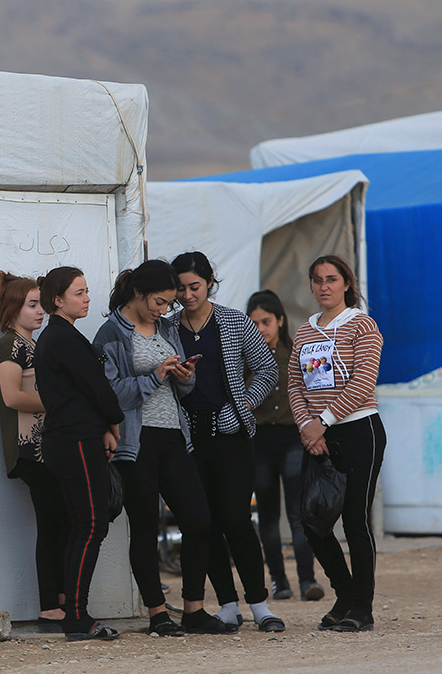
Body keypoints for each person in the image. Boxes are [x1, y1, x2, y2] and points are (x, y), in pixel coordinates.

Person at [94, 259, 236, 636]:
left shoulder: (165, 329)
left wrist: (183, 376)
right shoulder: (110, 334)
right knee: (145, 527)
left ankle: (193, 609)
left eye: (168, 304)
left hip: (174, 435)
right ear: (138, 294)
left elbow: (179, 390)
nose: (164, 310)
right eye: (159, 302)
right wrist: (156, 375)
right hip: (136, 442)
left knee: (198, 519)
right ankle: (157, 613)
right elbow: (110, 396)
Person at [169, 251, 284, 632]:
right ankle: (228, 605)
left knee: (236, 520)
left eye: (195, 287)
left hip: (232, 436)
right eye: (181, 288)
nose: (187, 295)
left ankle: (260, 605)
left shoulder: (235, 321)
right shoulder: (169, 329)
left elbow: (267, 367)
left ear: (209, 282)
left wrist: (247, 403)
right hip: (188, 439)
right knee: (203, 524)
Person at [287, 255, 386, 633]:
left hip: (360, 431)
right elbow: (296, 383)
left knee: (355, 520)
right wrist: (306, 426)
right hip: (317, 436)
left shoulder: (362, 325)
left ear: (346, 283)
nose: (324, 286)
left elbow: (363, 382)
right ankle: (345, 595)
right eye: (317, 280)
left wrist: (323, 421)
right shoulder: (305, 331)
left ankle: (362, 607)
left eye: (331, 279)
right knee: (313, 519)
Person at [33, 266, 125, 640]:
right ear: (57, 300)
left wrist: (103, 427)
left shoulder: (62, 336)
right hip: (74, 442)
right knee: (90, 525)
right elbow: (96, 388)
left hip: (74, 438)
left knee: (83, 525)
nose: (87, 298)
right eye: (78, 293)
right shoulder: (62, 338)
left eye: (87, 291)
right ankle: (76, 616)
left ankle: (75, 613)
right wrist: (114, 421)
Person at [0, 271, 68, 631]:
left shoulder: (32, 345)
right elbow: (11, 397)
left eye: (40, 305)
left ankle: (61, 600)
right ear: (12, 309)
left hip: (45, 448)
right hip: (28, 450)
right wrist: (58, 405)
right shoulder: (10, 345)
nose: (40, 311)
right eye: (31, 305)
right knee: (53, 524)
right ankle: (50, 607)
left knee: (61, 521)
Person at [247, 290, 325, 602]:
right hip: (260, 440)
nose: (262, 329)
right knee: (267, 514)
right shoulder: (245, 358)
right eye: (255, 324)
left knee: (298, 512)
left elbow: (317, 392)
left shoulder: (298, 352)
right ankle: (279, 582)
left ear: (280, 320)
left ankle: (308, 579)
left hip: (294, 437)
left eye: (266, 321)